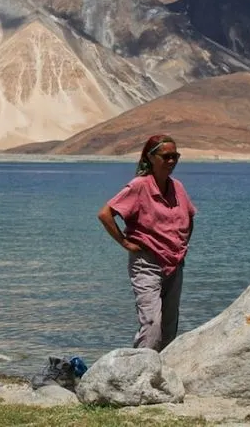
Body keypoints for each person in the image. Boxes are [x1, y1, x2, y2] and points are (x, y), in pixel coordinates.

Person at [97, 134, 197, 351]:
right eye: (166, 156)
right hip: (147, 263)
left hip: (175, 263)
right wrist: (125, 243)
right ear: (151, 158)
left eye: (175, 156)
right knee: (152, 323)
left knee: (170, 326)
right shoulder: (140, 186)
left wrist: (181, 245)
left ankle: (162, 372)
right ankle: (138, 372)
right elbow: (105, 214)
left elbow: (189, 216)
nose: (171, 161)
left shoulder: (177, 186)